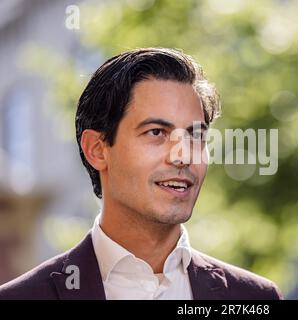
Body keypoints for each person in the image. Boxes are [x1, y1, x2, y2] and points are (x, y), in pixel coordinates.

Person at [0, 48, 283, 300]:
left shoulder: (254, 297)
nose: (183, 155)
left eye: (196, 135)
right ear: (97, 149)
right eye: (157, 132)